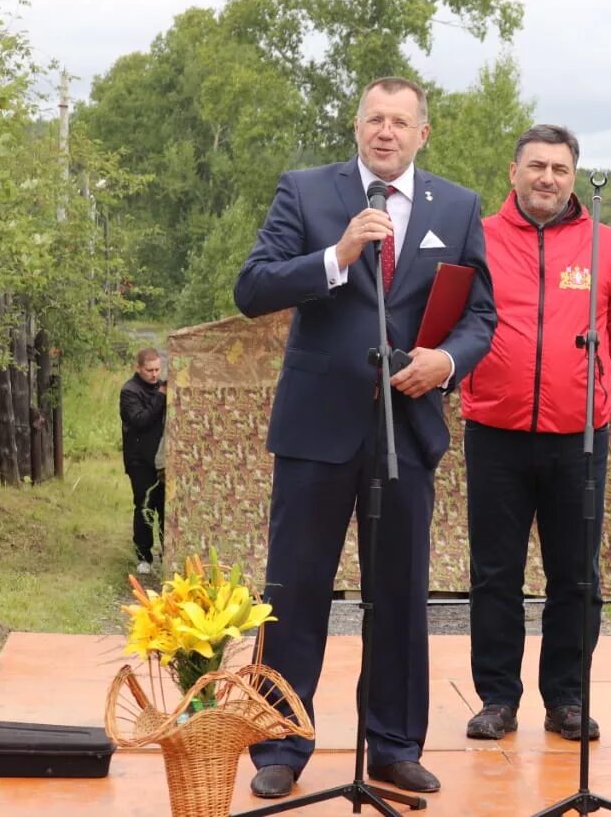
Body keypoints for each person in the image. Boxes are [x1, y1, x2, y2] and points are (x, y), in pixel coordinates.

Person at [233, 76, 496, 799]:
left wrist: (447, 363)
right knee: (295, 588)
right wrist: (338, 254)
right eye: (374, 119)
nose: (386, 131)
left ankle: (393, 744)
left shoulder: (459, 205)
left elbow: (482, 316)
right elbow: (251, 288)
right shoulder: (307, 193)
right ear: (356, 127)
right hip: (316, 427)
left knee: (402, 593)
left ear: (422, 133)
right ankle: (280, 742)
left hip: (404, 429)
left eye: (400, 121)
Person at [459, 125, 611, 742]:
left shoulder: (607, 246)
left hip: (577, 439)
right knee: (494, 574)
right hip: (494, 432)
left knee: (577, 576)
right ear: (513, 172)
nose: (547, 178)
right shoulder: (477, 238)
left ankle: (566, 698)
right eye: (536, 166)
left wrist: (587, 383)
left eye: (559, 169)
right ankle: (496, 699)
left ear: (574, 176)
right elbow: (456, 315)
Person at [120, 348, 166, 575]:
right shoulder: (130, 391)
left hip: (162, 459)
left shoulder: (162, 387)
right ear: (139, 368)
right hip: (140, 460)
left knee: (166, 508)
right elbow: (140, 420)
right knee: (145, 506)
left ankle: (168, 552)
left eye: (157, 369)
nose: (154, 374)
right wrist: (160, 397)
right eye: (149, 370)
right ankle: (143, 556)